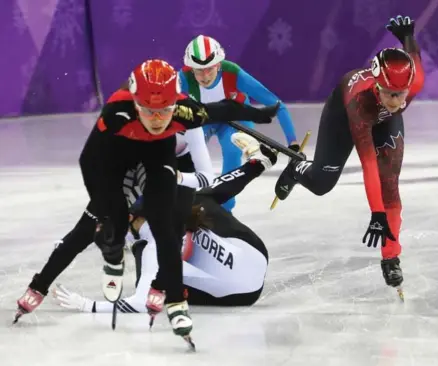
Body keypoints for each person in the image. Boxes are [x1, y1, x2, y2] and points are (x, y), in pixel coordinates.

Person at [15, 58, 280, 341]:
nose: (156, 119)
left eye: (164, 111)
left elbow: (222, 111)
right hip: (119, 160)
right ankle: (47, 282)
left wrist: (259, 114)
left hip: (158, 161)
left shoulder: (186, 114)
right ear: (135, 104)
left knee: (166, 230)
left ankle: (171, 294)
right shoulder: (117, 111)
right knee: (93, 223)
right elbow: (88, 163)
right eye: (149, 111)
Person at [274, 15, 425, 292]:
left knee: (391, 186)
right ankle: (298, 170)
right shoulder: (360, 102)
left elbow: (413, 56)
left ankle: (391, 257)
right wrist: (376, 213)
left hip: (381, 122)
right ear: (377, 86)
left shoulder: (411, 84)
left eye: (401, 94)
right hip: (345, 119)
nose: (397, 101)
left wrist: (407, 36)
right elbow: (368, 163)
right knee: (322, 184)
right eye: (390, 94)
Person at [52, 133, 275, 314]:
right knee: (202, 198)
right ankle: (259, 162)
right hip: (254, 253)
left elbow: (139, 304)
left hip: (242, 295)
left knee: (151, 279)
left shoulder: (152, 248)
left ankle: (258, 163)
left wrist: (85, 305)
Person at [15, 125, 214, 323]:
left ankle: (162, 285)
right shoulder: (123, 113)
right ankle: (40, 285)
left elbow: (206, 177)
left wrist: (177, 177)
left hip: (177, 169)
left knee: (172, 227)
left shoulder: (190, 121)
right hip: (135, 163)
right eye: (148, 112)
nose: (156, 120)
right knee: (85, 229)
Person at [180, 35, 299, 212]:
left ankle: (224, 210)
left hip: (237, 118)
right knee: (186, 153)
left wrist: (293, 142)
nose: (205, 76)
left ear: (219, 64)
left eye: (210, 69)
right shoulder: (182, 78)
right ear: (191, 68)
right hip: (206, 117)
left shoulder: (234, 74)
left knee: (232, 150)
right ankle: (182, 204)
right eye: (199, 70)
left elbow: (277, 105)